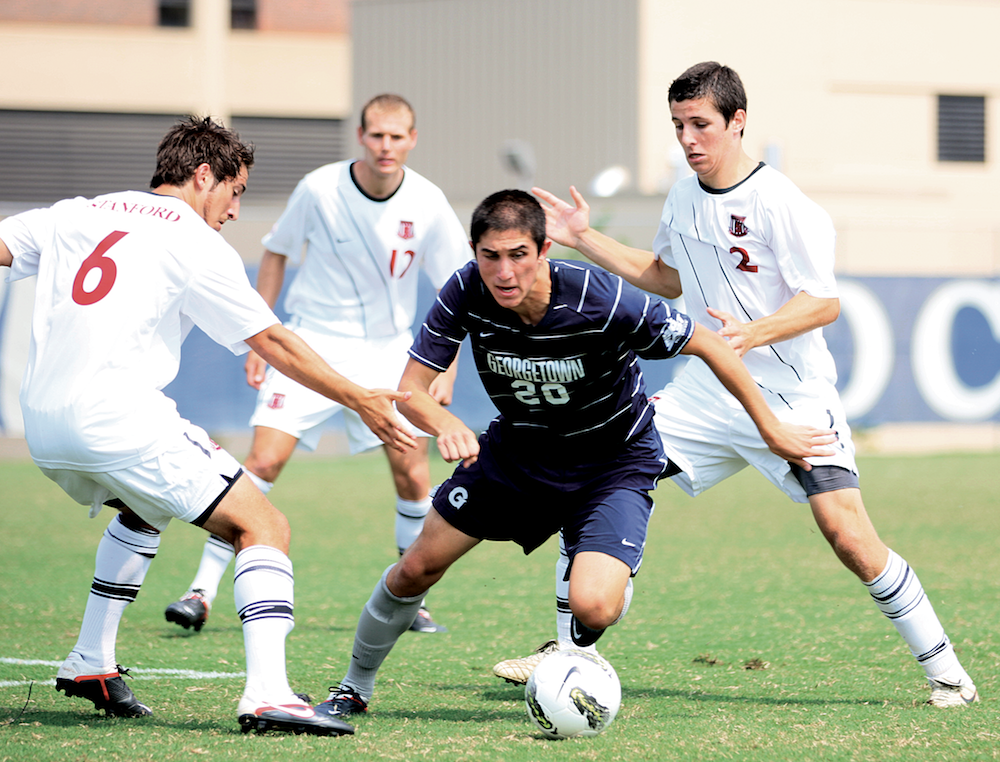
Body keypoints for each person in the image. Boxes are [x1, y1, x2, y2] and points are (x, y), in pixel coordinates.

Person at [491, 61, 978, 708]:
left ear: (737, 121)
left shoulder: (781, 202)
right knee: (597, 468)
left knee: (849, 535)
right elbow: (665, 276)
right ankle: (568, 652)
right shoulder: (685, 195)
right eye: (679, 125)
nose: (689, 138)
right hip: (708, 391)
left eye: (701, 124)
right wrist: (583, 237)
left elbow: (824, 301)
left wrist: (754, 332)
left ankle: (948, 673)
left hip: (792, 395)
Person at [308, 189, 835, 719]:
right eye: (490, 256)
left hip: (612, 463)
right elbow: (412, 389)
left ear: (542, 250)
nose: (504, 272)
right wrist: (445, 422)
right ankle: (354, 687)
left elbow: (712, 343)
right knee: (414, 569)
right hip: (516, 455)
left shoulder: (601, 299)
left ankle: (602, 566)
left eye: (518, 255)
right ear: (474, 252)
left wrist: (769, 427)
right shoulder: (466, 289)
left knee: (595, 606)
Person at [0, 116, 419, 736]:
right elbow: (274, 339)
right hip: (117, 419)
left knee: (143, 508)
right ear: (204, 176)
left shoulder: (76, 211)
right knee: (263, 523)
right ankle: (268, 695)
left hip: (43, 426)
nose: (232, 209)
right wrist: (359, 397)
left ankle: (91, 661)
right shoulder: (193, 241)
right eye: (235, 191)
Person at [165, 94, 471, 636]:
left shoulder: (427, 201)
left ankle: (411, 599)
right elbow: (277, 251)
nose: (386, 146)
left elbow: (459, 286)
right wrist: (261, 340)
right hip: (310, 344)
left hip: (386, 353)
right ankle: (200, 592)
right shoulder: (319, 187)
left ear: (412, 140)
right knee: (262, 462)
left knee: (412, 470)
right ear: (361, 135)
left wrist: (445, 366)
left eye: (397, 136)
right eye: (377, 135)